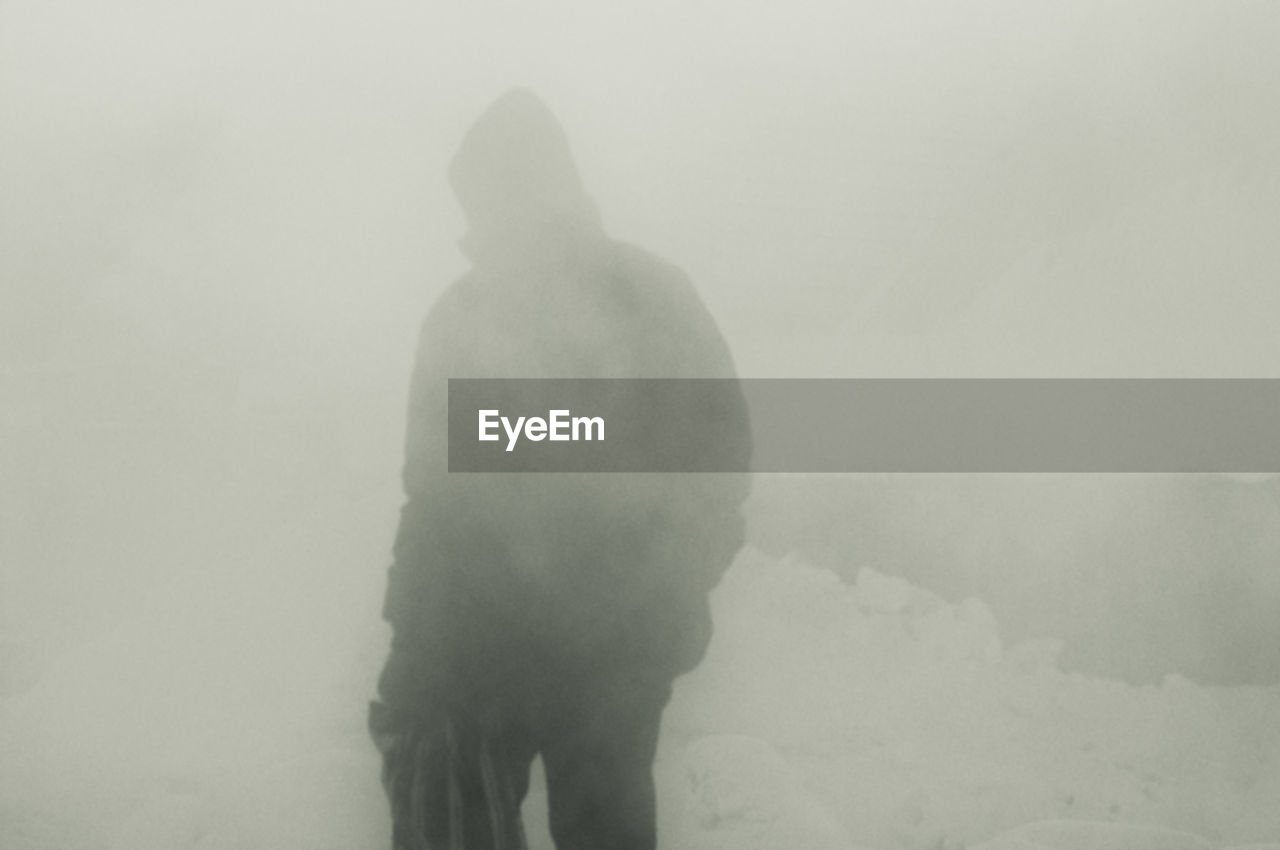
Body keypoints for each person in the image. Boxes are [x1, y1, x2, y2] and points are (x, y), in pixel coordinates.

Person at [369, 88, 751, 850]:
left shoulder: (647, 297)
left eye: (490, 198)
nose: (477, 223)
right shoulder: (459, 317)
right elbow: (431, 493)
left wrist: (663, 595)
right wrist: (409, 641)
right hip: (481, 651)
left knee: (605, 833)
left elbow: (717, 462)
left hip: (612, 651)